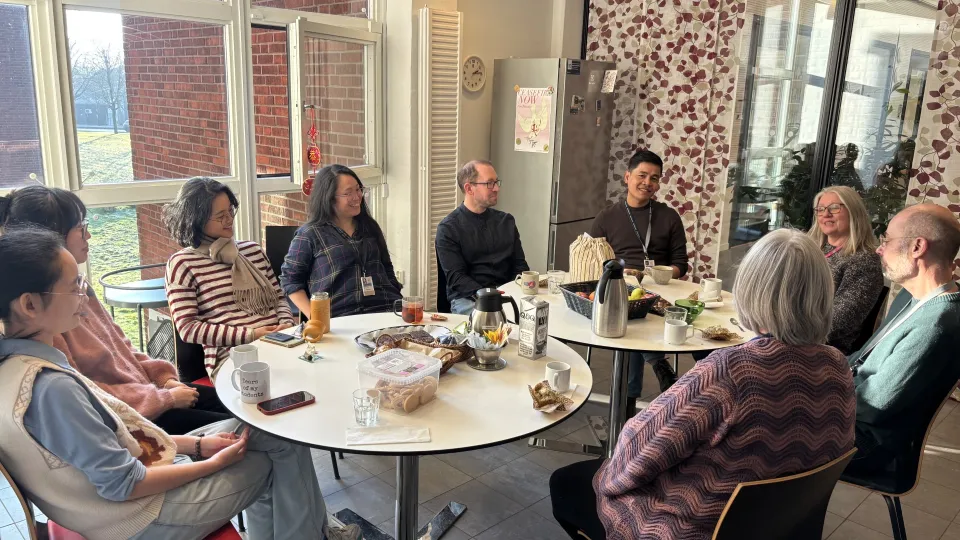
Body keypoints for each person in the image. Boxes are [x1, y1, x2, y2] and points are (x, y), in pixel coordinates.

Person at [0, 228, 358, 540]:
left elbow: (113, 443)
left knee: (275, 431)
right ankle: (311, 534)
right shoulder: (50, 388)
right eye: (74, 286)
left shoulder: (21, 365)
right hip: (139, 519)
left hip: (139, 477)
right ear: (30, 305)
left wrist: (199, 446)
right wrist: (212, 463)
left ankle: (309, 533)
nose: (85, 294)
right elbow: (124, 484)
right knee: (270, 460)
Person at [549, 229, 856, 539]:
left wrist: (606, 480)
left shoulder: (731, 372)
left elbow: (637, 452)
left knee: (567, 482)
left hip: (693, 529)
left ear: (749, 290)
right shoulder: (838, 365)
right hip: (783, 525)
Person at [0, 186, 231, 435]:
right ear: (52, 239)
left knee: (241, 403)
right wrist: (165, 398)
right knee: (246, 426)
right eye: (81, 228)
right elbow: (89, 396)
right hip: (133, 419)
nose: (88, 237)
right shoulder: (48, 315)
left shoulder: (78, 288)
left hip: (148, 396)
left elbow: (122, 346)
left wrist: (165, 380)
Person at [846, 203, 960, 475]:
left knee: (755, 429)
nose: (879, 248)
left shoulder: (937, 324)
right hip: (851, 418)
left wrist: (808, 394)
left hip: (868, 444)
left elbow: (871, 406)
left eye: (886, 239)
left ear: (917, 247)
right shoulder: (912, 297)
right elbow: (861, 359)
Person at [165, 178, 296, 379]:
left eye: (230, 211)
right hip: (233, 357)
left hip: (280, 342)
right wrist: (252, 335)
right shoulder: (183, 264)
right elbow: (187, 328)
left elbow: (279, 298)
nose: (229, 219)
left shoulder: (252, 251)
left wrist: (286, 325)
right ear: (196, 219)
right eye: (220, 216)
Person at [589, 149, 688, 400]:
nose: (647, 183)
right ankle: (658, 366)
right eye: (642, 175)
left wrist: (657, 274)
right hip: (619, 286)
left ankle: (628, 399)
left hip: (659, 289)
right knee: (630, 306)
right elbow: (591, 258)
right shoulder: (607, 217)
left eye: (654, 178)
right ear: (627, 177)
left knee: (636, 310)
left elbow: (680, 264)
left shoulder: (668, 216)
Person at [281, 164, 402, 318]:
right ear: (330, 198)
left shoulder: (369, 227)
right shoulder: (310, 234)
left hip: (385, 310)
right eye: (348, 193)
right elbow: (290, 281)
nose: (357, 197)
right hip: (341, 317)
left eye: (358, 189)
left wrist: (399, 301)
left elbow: (386, 268)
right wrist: (315, 317)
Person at [436, 160, 530, 315]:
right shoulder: (448, 228)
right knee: (500, 322)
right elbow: (457, 278)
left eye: (496, 182)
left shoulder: (506, 221)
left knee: (540, 317)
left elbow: (520, 266)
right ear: (469, 188)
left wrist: (518, 292)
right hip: (469, 298)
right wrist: (490, 297)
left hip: (507, 294)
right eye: (490, 183)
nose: (497, 188)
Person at [807, 186, 884, 354]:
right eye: (820, 209)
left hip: (822, 349)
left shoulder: (864, 260)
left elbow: (839, 321)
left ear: (853, 212)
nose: (825, 214)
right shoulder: (812, 248)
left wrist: (786, 329)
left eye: (834, 208)